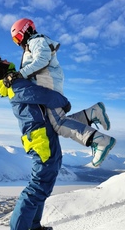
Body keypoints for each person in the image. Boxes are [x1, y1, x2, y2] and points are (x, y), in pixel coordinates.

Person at [9, 18, 116, 167]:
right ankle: (92, 113)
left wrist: (21, 74)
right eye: (15, 40)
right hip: (46, 83)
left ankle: (99, 139)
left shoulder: (36, 40)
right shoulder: (32, 43)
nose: (18, 42)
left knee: (59, 124)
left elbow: (42, 59)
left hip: (47, 83)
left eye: (18, 37)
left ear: (26, 30)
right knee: (58, 122)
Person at [0, 56, 70, 230]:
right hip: (41, 138)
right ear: (0, 70)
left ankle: (34, 226)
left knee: (43, 185)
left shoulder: (15, 84)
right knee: (38, 186)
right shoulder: (17, 86)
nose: (6, 60)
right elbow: (43, 95)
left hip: (41, 136)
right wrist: (64, 103)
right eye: (2, 61)